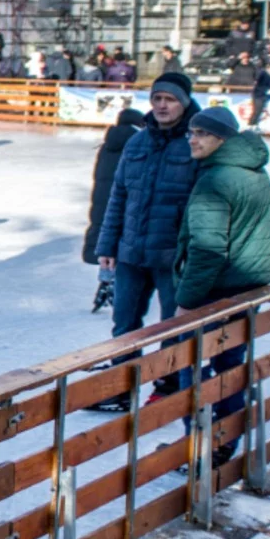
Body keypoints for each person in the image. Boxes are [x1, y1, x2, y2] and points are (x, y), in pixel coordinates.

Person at [174, 106, 270, 461]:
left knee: (194, 367)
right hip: (246, 291)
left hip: (214, 294)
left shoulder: (215, 180)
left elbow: (207, 249)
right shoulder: (255, 173)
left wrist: (186, 302)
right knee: (231, 364)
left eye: (202, 133)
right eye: (191, 132)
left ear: (222, 138)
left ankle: (200, 446)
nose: (193, 139)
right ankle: (226, 438)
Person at [96, 72, 202, 393]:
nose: (162, 105)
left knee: (173, 325)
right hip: (131, 251)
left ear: (183, 103)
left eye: (169, 99)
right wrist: (108, 244)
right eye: (157, 98)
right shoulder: (137, 141)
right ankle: (121, 385)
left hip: (172, 256)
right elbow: (118, 196)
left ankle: (167, 384)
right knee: (124, 324)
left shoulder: (195, 142)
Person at [82, 108, 146, 325]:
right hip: (122, 201)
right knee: (121, 242)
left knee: (107, 240)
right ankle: (115, 287)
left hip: (102, 200)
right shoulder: (137, 145)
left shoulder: (108, 144)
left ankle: (105, 281)